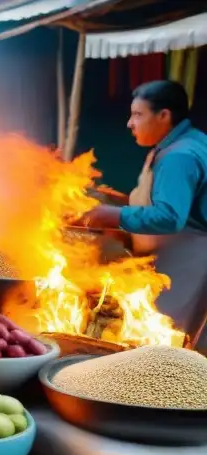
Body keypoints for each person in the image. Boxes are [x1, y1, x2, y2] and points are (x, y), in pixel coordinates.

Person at [84, 80, 207, 347]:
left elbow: (170, 216)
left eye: (138, 114)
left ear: (164, 115)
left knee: (171, 345)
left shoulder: (180, 156)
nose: (130, 123)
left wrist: (114, 215)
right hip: (178, 257)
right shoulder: (188, 141)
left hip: (190, 263)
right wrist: (117, 200)